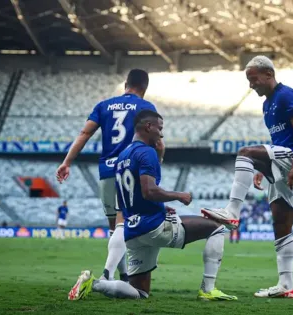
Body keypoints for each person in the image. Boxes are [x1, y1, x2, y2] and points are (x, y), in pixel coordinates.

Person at [68, 110, 237, 301]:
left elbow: (127, 198)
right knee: (216, 228)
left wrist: (161, 207)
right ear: (148, 126)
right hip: (153, 227)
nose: (162, 133)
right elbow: (149, 191)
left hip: (132, 232)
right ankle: (208, 290)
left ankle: (95, 283)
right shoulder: (147, 152)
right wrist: (178, 195)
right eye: (160, 128)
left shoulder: (122, 156)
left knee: (140, 293)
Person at [202, 56, 293, 298]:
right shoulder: (267, 104)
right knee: (281, 225)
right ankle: (286, 285)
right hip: (282, 162)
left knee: (245, 153)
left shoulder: (286, 95)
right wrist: (263, 169)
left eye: (253, 79)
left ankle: (232, 211)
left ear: (268, 74)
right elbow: (276, 142)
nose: (251, 85)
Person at [56, 69, 161, 282]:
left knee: (114, 227)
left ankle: (122, 276)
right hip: (131, 169)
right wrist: (157, 163)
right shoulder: (146, 107)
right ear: (145, 87)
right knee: (125, 224)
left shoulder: (103, 106)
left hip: (107, 170)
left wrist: (67, 162)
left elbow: (85, 133)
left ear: (125, 84)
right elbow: (157, 141)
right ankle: (107, 274)